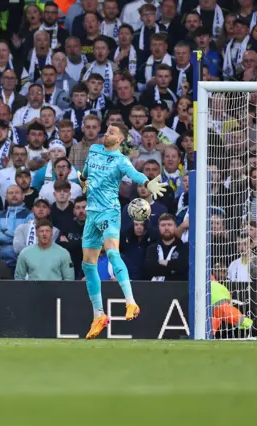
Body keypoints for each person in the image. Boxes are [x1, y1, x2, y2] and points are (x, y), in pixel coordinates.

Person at [77, 122, 167, 339]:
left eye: (112, 132)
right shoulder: (94, 150)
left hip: (109, 211)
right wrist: (83, 181)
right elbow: (86, 174)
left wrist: (147, 183)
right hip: (92, 213)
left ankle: (131, 302)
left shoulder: (120, 160)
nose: (107, 132)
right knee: (87, 265)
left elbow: (134, 174)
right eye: (107, 129)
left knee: (112, 253)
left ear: (120, 140)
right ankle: (98, 315)